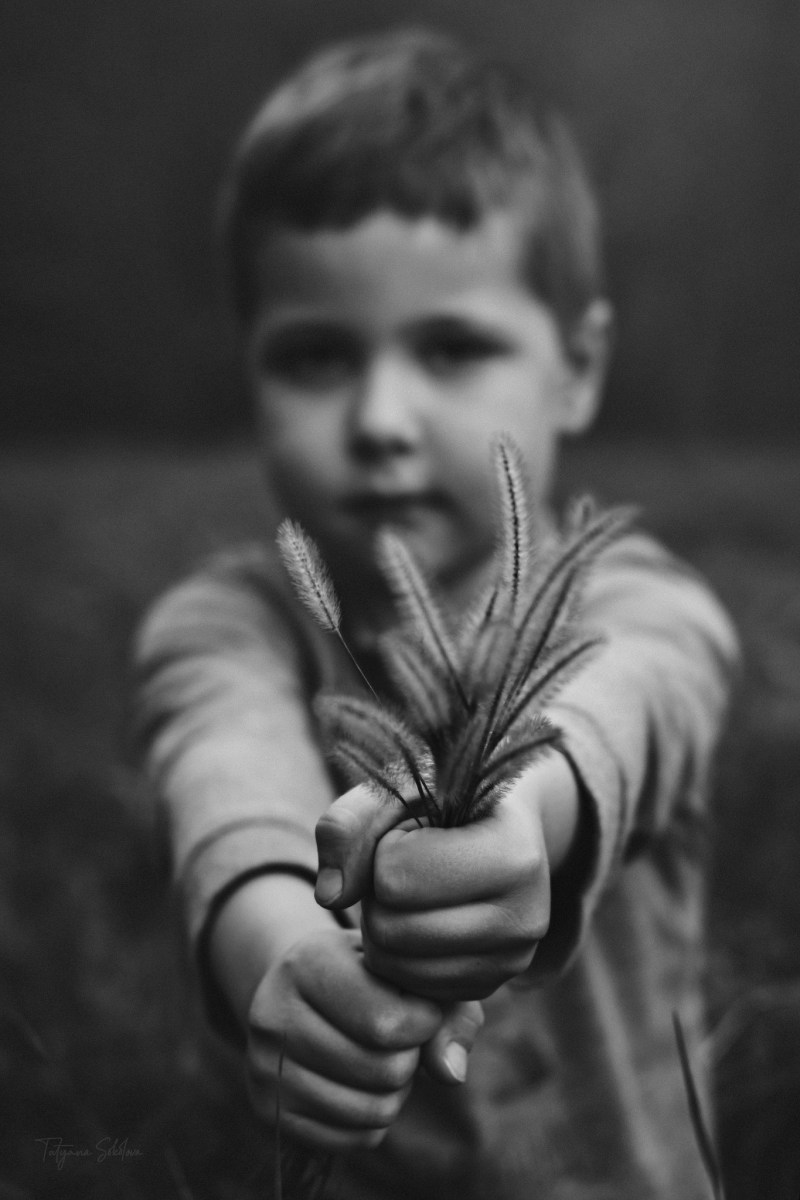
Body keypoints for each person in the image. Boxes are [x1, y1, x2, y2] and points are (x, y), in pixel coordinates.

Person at [133, 28, 739, 1199]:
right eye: (315, 356)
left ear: (577, 364)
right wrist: (284, 955)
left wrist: (524, 805)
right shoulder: (230, 625)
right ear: (247, 374)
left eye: (451, 347)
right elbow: (224, 773)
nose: (381, 418)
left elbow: (642, 688)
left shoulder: (628, 600)